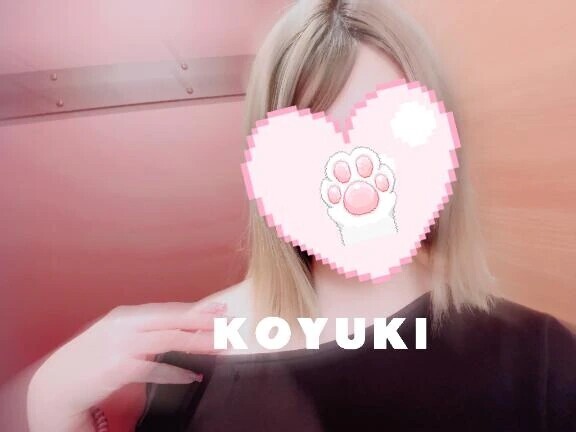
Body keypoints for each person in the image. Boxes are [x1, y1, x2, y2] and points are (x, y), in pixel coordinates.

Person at [26, 1, 576, 431]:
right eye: (317, 144)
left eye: (392, 136)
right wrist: (51, 408)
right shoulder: (192, 357)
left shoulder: (541, 358)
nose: (351, 167)